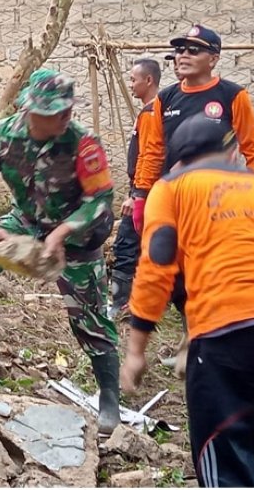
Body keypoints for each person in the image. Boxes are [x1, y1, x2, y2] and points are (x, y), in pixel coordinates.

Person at [0, 69, 121, 434]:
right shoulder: (1, 135)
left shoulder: (84, 143)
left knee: (91, 319)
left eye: (67, 111)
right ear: (30, 109)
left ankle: (109, 400)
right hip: (26, 222)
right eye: (55, 112)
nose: (65, 118)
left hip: (77, 238)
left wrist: (63, 232)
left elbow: (100, 200)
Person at [121, 114, 254, 487]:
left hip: (229, 335)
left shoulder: (171, 188)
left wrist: (136, 350)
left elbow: (157, 265)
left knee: (226, 465)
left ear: (178, 161)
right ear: (234, 152)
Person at [131, 25, 254, 235]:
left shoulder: (233, 95)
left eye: (194, 50)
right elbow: (152, 151)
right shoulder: (165, 99)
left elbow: (253, 149)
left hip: (219, 201)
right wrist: (140, 195)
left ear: (213, 60)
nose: (184, 56)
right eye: (180, 50)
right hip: (175, 198)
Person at [108, 58, 160, 319]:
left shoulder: (152, 113)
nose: (131, 85)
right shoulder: (150, 111)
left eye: (133, 80)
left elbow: (149, 155)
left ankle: (121, 304)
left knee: (126, 245)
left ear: (148, 81)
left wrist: (137, 194)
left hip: (144, 191)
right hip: (144, 189)